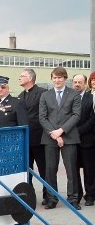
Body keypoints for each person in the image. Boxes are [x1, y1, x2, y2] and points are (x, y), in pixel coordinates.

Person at [39, 66, 81, 210]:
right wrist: (54, 133)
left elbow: (76, 115)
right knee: (50, 170)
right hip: (49, 137)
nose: (57, 80)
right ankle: (51, 198)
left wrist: (61, 131)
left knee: (71, 170)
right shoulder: (45, 95)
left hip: (69, 136)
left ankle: (73, 199)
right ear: (51, 79)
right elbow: (42, 117)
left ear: (65, 79)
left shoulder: (74, 94)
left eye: (60, 77)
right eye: (54, 78)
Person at [18, 68, 49, 205]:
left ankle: (48, 196)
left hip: (40, 138)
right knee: (26, 170)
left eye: (22, 76)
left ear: (30, 78)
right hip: (25, 140)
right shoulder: (20, 95)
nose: (19, 78)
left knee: (44, 169)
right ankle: (28, 197)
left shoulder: (42, 93)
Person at [72, 74, 95, 207]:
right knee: (74, 170)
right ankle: (77, 194)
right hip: (72, 142)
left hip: (87, 140)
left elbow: (92, 119)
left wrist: (78, 131)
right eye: (75, 82)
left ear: (85, 83)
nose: (77, 84)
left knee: (89, 169)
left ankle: (91, 195)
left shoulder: (90, 98)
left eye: (80, 82)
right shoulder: (68, 97)